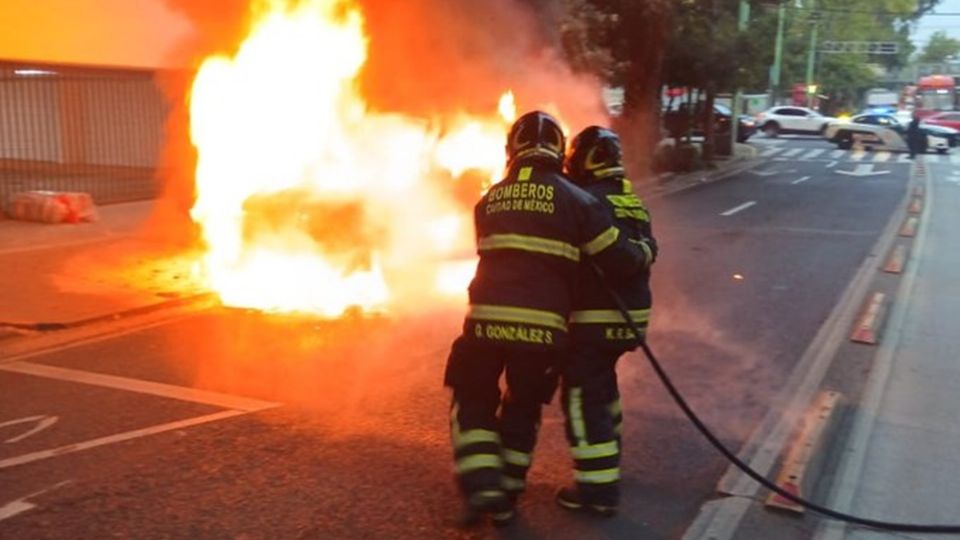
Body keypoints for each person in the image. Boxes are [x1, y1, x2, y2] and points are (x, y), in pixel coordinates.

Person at [443, 111, 652, 526]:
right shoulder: (579, 201)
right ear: (559, 150)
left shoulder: (489, 199)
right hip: (545, 331)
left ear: (513, 149)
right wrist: (642, 250)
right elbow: (617, 257)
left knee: (472, 394)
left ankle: (485, 485)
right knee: (522, 405)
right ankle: (509, 485)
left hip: (485, 322)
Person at [556, 126, 657, 517]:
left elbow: (613, 256)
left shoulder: (589, 203)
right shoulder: (631, 200)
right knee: (604, 389)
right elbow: (645, 248)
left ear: (587, 159)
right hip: (628, 319)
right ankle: (608, 462)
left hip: (594, 318)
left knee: (581, 396)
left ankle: (597, 490)